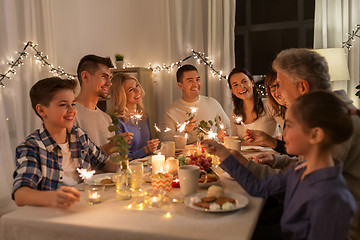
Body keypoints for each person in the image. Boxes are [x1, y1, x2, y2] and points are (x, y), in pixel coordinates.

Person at [202, 90, 357, 239]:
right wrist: (223, 154)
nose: (283, 134)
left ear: (315, 134)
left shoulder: (332, 198)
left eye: (289, 125)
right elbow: (258, 187)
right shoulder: (302, 169)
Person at [245, 48, 360, 239]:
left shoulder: (333, 123)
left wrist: (246, 167)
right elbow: (304, 169)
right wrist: (278, 160)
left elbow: (302, 183)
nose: (278, 92)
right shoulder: (319, 115)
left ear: (303, 87)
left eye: (280, 84)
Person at [13, 77, 118, 209]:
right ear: (41, 110)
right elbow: (20, 195)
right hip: (53, 214)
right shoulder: (33, 147)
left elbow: (104, 162)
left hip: (84, 205)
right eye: (63, 105)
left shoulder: (78, 135)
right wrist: (53, 197)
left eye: (73, 104)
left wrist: (128, 169)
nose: (71, 110)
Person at [74, 54, 133, 156]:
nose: (109, 83)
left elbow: (113, 159)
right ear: (85, 76)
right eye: (104, 77)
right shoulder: (70, 115)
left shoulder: (106, 119)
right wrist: (110, 147)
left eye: (110, 78)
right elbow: (74, 161)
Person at [161, 64, 230, 144]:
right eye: (190, 80)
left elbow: (228, 127)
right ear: (180, 85)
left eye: (197, 80)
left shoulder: (212, 103)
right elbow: (165, 139)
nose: (195, 84)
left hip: (213, 152)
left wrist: (225, 137)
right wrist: (184, 131)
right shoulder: (172, 111)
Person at [218, 67, 280, 144]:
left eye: (244, 81)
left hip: (271, 155)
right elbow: (237, 143)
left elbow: (286, 133)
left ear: (252, 83)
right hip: (246, 156)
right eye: (235, 85)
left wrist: (266, 140)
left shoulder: (269, 104)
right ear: (232, 91)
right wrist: (227, 139)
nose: (241, 87)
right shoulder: (234, 114)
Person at [108, 73, 159, 160]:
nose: (138, 91)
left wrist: (152, 146)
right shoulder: (116, 122)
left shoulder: (144, 116)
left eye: (137, 86)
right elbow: (120, 157)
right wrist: (145, 150)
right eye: (131, 90)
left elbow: (150, 148)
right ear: (121, 95)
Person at [243, 70, 288, 154]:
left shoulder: (303, 115)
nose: (277, 92)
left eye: (280, 85)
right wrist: (265, 138)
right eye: (273, 87)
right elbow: (289, 151)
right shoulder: (288, 113)